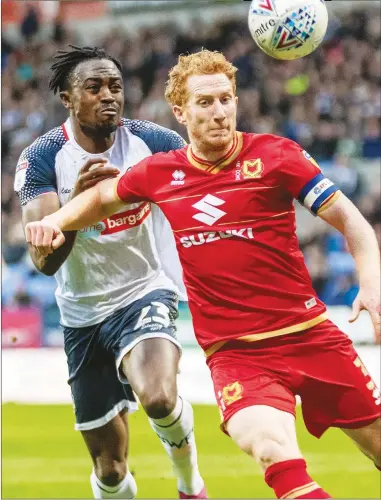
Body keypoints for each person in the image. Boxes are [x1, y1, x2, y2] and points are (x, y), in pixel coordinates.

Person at [25, 49, 381, 499]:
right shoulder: (160, 172)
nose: (219, 112)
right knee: (273, 452)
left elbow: (351, 222)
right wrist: (52, 223)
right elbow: (100, 199)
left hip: (310, 336)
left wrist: (371, 283)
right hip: (237, 356)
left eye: (226, 100)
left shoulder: (276, 156)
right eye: (205, 103)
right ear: (181, 111)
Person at [15, 46, 207, 500]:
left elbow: (202, 193)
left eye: (115, 86)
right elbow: (44, 264)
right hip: (82, 315)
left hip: (146, 291)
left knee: (159, 398)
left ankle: (190, 484)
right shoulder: (42, 158)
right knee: (111, 468)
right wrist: (75, 211)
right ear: (67, 97)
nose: (109, 96)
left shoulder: (154, 142)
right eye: (94, 87)